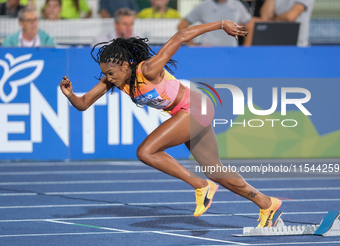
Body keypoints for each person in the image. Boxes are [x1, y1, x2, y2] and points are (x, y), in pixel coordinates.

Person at [60, 20, 282, 228]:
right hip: (186, 112)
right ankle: (267, 203)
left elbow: (181, 35)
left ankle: (201, 186)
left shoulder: (148, 69)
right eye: (104, 73)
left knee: (146, 151)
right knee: (215, 170)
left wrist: (222, 24)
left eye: (110, 72)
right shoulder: (113, 80)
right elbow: (83, 104)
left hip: (196, 107)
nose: (108, 77)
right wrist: (70, 95)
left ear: (126, 65)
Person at [178, 0, 254, 46]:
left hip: (231, 50)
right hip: (208, 50)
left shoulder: (236, 5)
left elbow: (249, 25)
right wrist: (191, 44)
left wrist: (246, 46)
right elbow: (182, 26)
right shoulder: (203, 6)